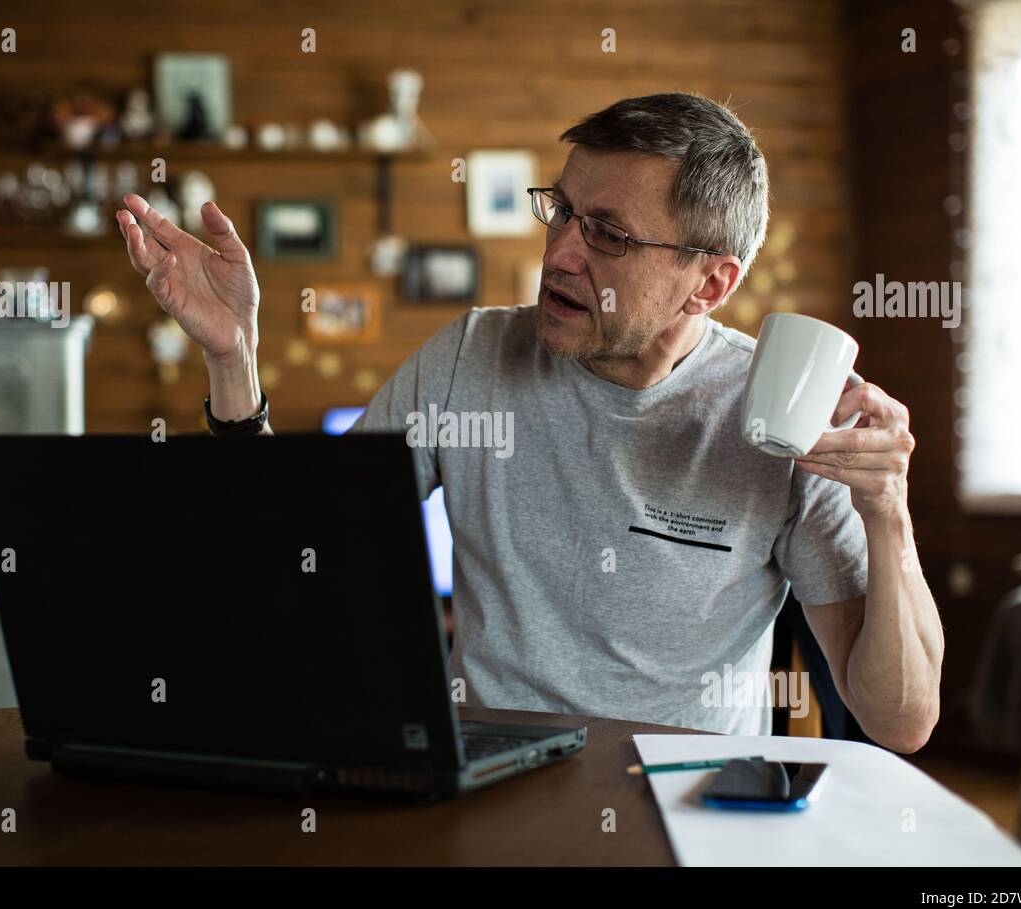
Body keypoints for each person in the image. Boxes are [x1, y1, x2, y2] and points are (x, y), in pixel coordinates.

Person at [115, 92, 942, 751]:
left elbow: (899, 721)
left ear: (710, 283)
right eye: (562, 212)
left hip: (685, 801)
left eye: (609, 234)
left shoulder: (783, 418)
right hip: (490, 780)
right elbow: (294, 545)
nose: (560, 253)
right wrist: (233, 358)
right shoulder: (470, 355)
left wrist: (888, 516)